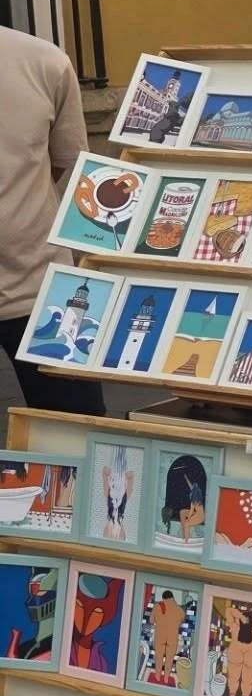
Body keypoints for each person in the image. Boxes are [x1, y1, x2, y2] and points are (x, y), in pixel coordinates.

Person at [0, 26, 103, 414]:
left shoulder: (45, 61)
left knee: (78, 434)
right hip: (46, 276)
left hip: (51, 289)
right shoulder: (46, 59)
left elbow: (69, 163)